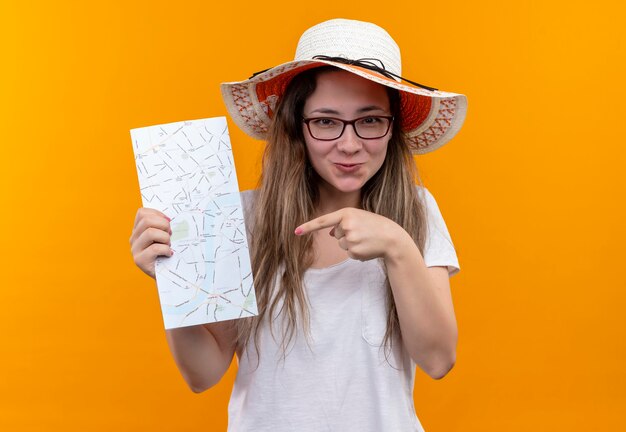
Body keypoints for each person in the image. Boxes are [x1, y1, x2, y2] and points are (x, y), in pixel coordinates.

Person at [129, 18, 467, 432]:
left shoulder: (414, 210)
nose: (349, 143)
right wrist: (174, 282)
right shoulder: (242, 219)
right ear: (296, 126)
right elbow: (203, 374)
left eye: (370, 120)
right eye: (326, 121)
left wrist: (397, 246)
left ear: (392, 127)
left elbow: (437, 360)